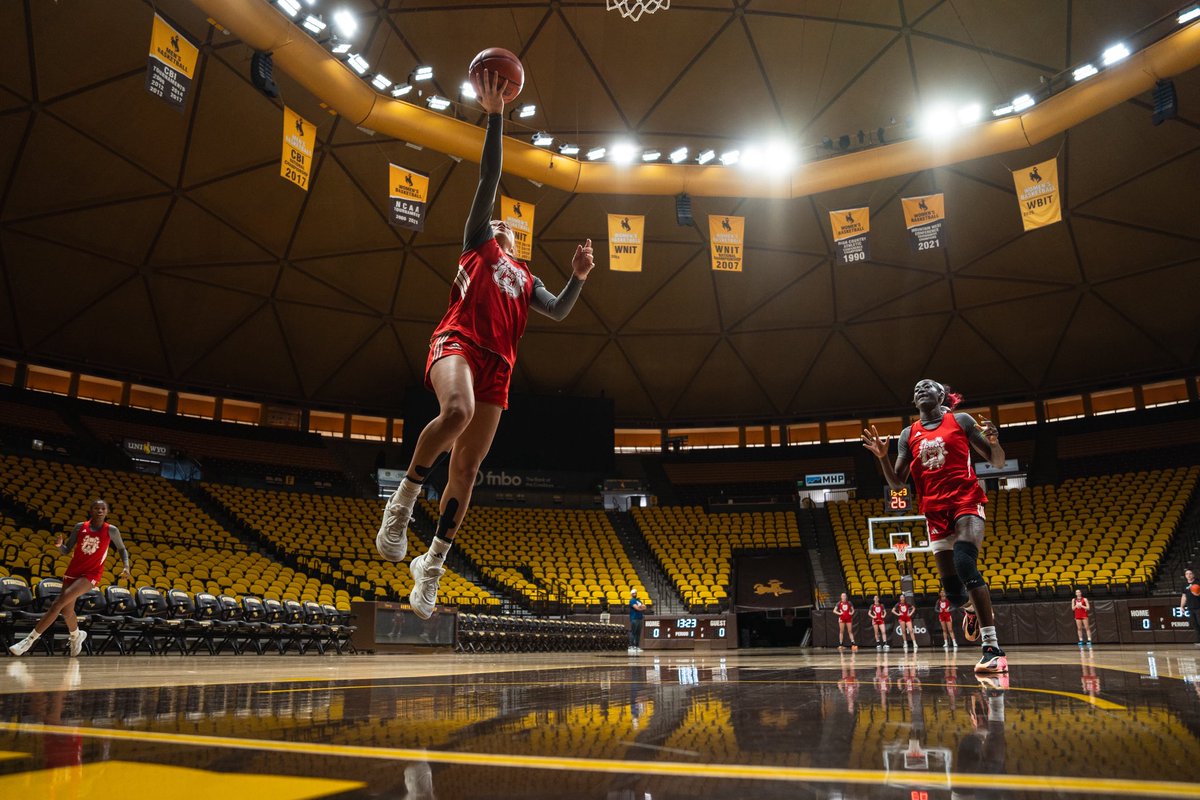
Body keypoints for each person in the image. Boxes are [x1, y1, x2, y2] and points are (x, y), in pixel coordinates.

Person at [373, 69, 596, 618]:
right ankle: (402, 503)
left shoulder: (526, 277)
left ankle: (431, 565)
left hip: (498, 368)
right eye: (497, 222)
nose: (502, 224)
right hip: (458, 342)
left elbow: (560, 310)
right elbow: (488, 178)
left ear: (518, 241)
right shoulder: (479, 245)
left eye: (507, 227)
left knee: (468, 470)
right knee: (456, 411)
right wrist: (496, 116)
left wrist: (578, 277)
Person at [862, 379, 1008, 674]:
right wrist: (883, 459)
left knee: (965, 562)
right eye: (916, 388)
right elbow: (898, 484)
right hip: (934, 511)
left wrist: (994, 443)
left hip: (966, 501)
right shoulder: (908, 434)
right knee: (953, 592)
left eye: (927, 386)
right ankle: (970, 610)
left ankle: (993, 650)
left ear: (942, 395)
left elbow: (997, 462)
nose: (920, 389)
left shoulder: (961, 420)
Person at [8, 499, 131, 657]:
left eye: (103, 508)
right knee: (67, 611)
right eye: (96, 508)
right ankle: (76, 635)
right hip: (73, 571)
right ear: (91, 510)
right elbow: (66, 551)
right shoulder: (80, 527)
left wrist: (126, 565)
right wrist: (60, 546)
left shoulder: (111, 530)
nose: (100, 511)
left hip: (91, 574)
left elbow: (122, 549)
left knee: (57, 604)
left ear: (107, 512)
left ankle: (28, 641)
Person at [1179, 568, 1200, 645]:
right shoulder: (1184, 585)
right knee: (1195, 624)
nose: (1188, 575)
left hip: (1198, 607)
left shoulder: (1198, 582)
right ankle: (1199, 640)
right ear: (1185, 576)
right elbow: (1184, 596)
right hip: (1190, 608)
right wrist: (1181, 606)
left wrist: (1198, 594)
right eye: (1187, 574)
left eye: (1190, 573)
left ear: (1193, 574)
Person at [627, 589, 646, 654]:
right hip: (634, 618)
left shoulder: (638, 600)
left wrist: (640, 607)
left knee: (638, 633)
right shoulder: (632, 600)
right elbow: (637, 608)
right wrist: (640, 607)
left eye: (635, 593)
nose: (634, 594)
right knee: (633, 632)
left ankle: (636, 646)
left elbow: (645, 607)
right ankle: (631, 646)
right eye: (633, 593)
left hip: (639, 618)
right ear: (631, 594)